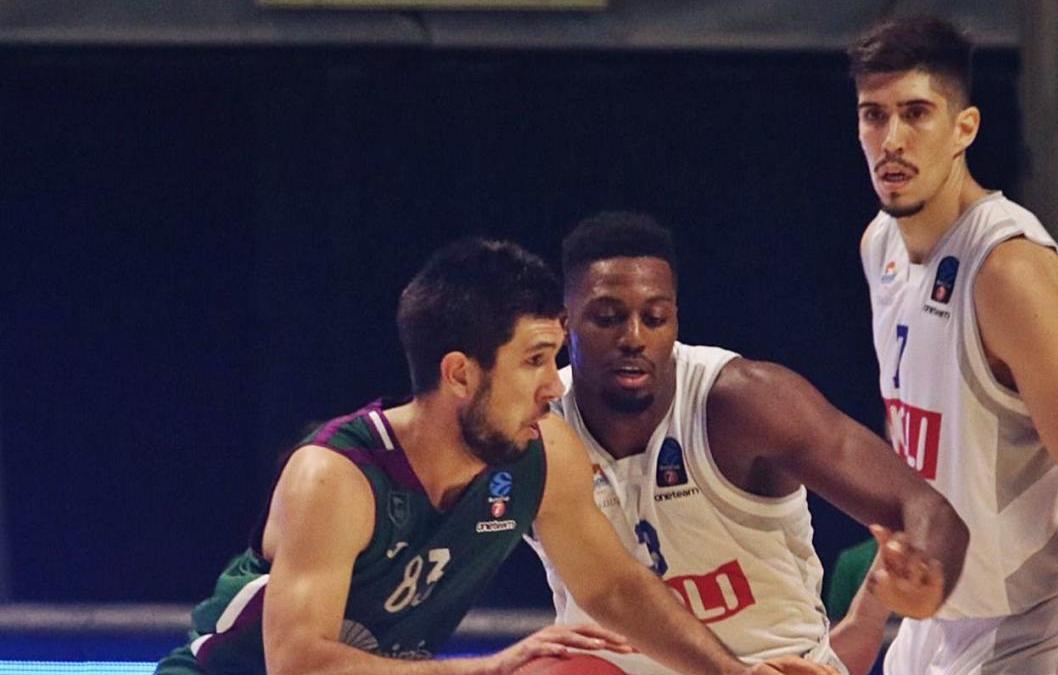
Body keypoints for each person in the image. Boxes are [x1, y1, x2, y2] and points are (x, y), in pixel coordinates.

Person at [156, 238, 803, 675]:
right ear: (460, 374)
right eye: (532, 361)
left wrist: (735, 673)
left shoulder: (540, 450)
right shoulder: (336, 474)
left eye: (554, 357)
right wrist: (487, 666)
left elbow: (613, 586)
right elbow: (298, 659)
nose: (554, 384)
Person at [526, 212, 970, 675]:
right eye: (608, 318)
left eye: (654, 317)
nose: (634, 337)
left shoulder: (743, 403)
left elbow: (925, 506)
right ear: (563, 323)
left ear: (675, 317)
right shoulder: (531, 426)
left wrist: (928, 582)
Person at [850, 17, 1058, 675]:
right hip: (940, 614)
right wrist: (868, 614)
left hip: (1034, 619)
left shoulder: (1007, 272)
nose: (891, 139)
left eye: (916, 113)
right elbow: (915, 460)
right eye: (874, 115)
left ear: (964, 128)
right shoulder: (880, 246)